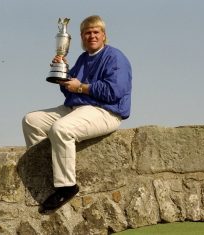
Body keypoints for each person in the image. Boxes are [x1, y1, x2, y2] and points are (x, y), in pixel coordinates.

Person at [22, 15, 132, 213]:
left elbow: (114, 91)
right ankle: (48, 174)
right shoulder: (83, 59)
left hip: (106, 111)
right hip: (77, 107)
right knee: (31, 121)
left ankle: (66, 187)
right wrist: (61, 72)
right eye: (87, 33)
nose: (92, 36)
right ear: (81, 37)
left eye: (96, 32)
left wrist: (81, 87)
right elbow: (69, 90)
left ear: (104, 36)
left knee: (61, 129)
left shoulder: (115, 57)